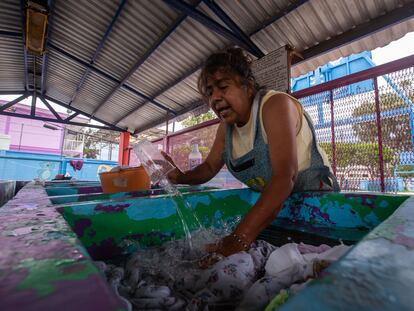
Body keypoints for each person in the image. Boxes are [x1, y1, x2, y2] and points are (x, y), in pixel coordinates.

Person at [162, 48, 339, 259]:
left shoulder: (274, 105)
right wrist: (180, 177)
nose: (215, 98)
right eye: (210, 93)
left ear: (247, 86)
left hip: (319, 211)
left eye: (223, 87)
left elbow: (285, 177)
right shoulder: (225, 129)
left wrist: (239, 238)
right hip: (274, 212)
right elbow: (208, 168)